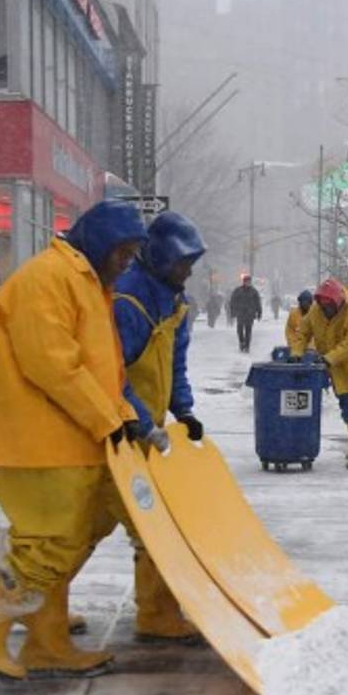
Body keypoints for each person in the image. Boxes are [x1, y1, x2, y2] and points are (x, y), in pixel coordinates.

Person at [0, 200, 147, 681]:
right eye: (124, 251)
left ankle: (47, 642)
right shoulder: (47, 279)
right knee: (48, 545)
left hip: (65, 440)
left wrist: (125, 418)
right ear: (100, 241)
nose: (128, 263)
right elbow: (53, 364)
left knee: (70, 539)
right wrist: (108, 419)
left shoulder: (87, 282)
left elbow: (102, 370)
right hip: (37, 442)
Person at [96, 210, 207, 643]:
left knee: (100, 525)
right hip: (122, 432)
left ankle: (45, 606)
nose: (188, 271)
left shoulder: (172, 299)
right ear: (161, 257)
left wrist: (184, 410)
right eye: (183, 262)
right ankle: (156, 614)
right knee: (147, 526)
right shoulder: (130, 301)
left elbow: (173, 362)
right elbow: (112, 374)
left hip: (145, 431)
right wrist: (142, 425)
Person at [288, 278, 348, 469]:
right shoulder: (315, 311)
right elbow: (302, 333)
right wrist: (296, 353)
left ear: (338, 302)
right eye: (322, 306)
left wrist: (328, 358)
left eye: (329, 307)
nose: (325, 311)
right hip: (334, 367)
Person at [229, 274, 263, 352]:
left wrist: (259, 312)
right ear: (243, 282)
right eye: (246, 281)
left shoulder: (254, 291)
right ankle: (241, 342)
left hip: (250, 314)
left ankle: (247, 346)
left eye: (249, 281)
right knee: (240, 330)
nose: (248, 283)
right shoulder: (238, 290)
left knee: (248, 331)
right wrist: (233, 311)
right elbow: (233, 301)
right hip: (240, 313)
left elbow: (258, 302)